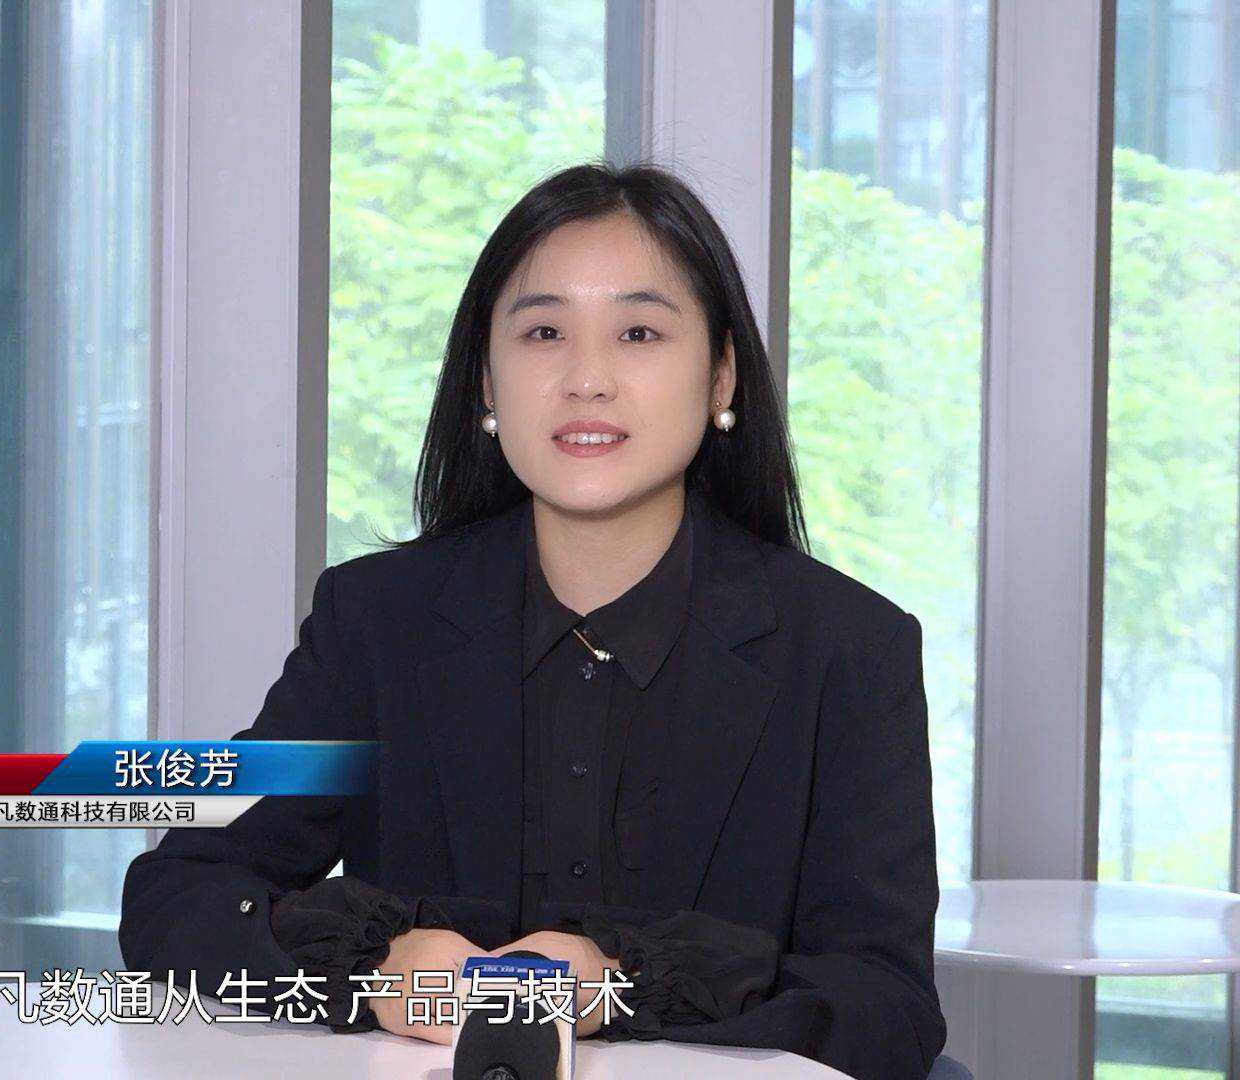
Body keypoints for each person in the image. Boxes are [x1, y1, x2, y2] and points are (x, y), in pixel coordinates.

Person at [117, 160, 946, 1080]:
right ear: (486, 379)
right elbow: (177, 897)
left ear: (721, 376)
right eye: (544, 332)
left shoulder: (849, 650)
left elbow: (888, 1006)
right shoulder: (377, 622)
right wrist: (374, 971)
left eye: (639, 332)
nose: (587, 379)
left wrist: (621, 985)